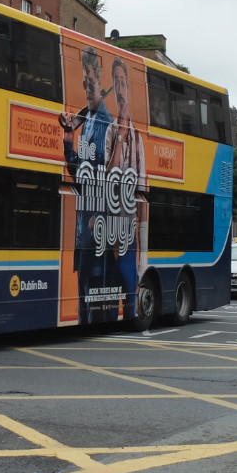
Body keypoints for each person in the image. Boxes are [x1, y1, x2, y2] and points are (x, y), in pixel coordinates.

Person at [62, 45, 114, 323]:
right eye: (84, 82)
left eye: (91, 81)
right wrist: (69, 142)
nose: (87, 88)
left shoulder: (105, 122)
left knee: (92, 307)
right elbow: (79, 174)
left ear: (100, 79)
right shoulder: (89, 119)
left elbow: (101, 177)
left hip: (96, 232)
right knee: (83, 306)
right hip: (84, 231)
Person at [103, 56, 147, 320]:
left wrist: (144, 255)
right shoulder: (109, 132)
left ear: (129, 88)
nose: (119, 89)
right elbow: (108, 177)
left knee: (131, 300)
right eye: (115, 83)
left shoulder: (140, 140)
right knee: (107, 306)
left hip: (129, 237)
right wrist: (120, 135)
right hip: (107, 236)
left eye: (123, 83)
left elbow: (142, 195)